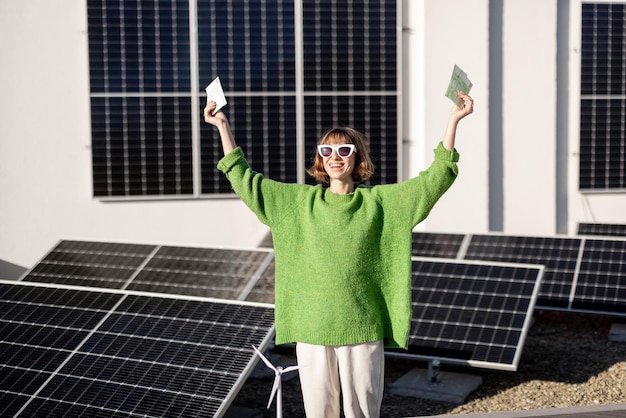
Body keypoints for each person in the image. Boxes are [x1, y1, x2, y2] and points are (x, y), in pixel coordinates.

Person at [204, 92, 474, 418]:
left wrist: (453, 121)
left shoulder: (382, 204)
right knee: (319, 414)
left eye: (344, 150)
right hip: (313, 329)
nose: (335, 156)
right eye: (327, 150)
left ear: (357, 159)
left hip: (363, 329)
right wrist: (222, 125)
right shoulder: (297, 204)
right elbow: (245, 179)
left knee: (362, 415)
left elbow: (435, 180)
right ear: (319, 158)